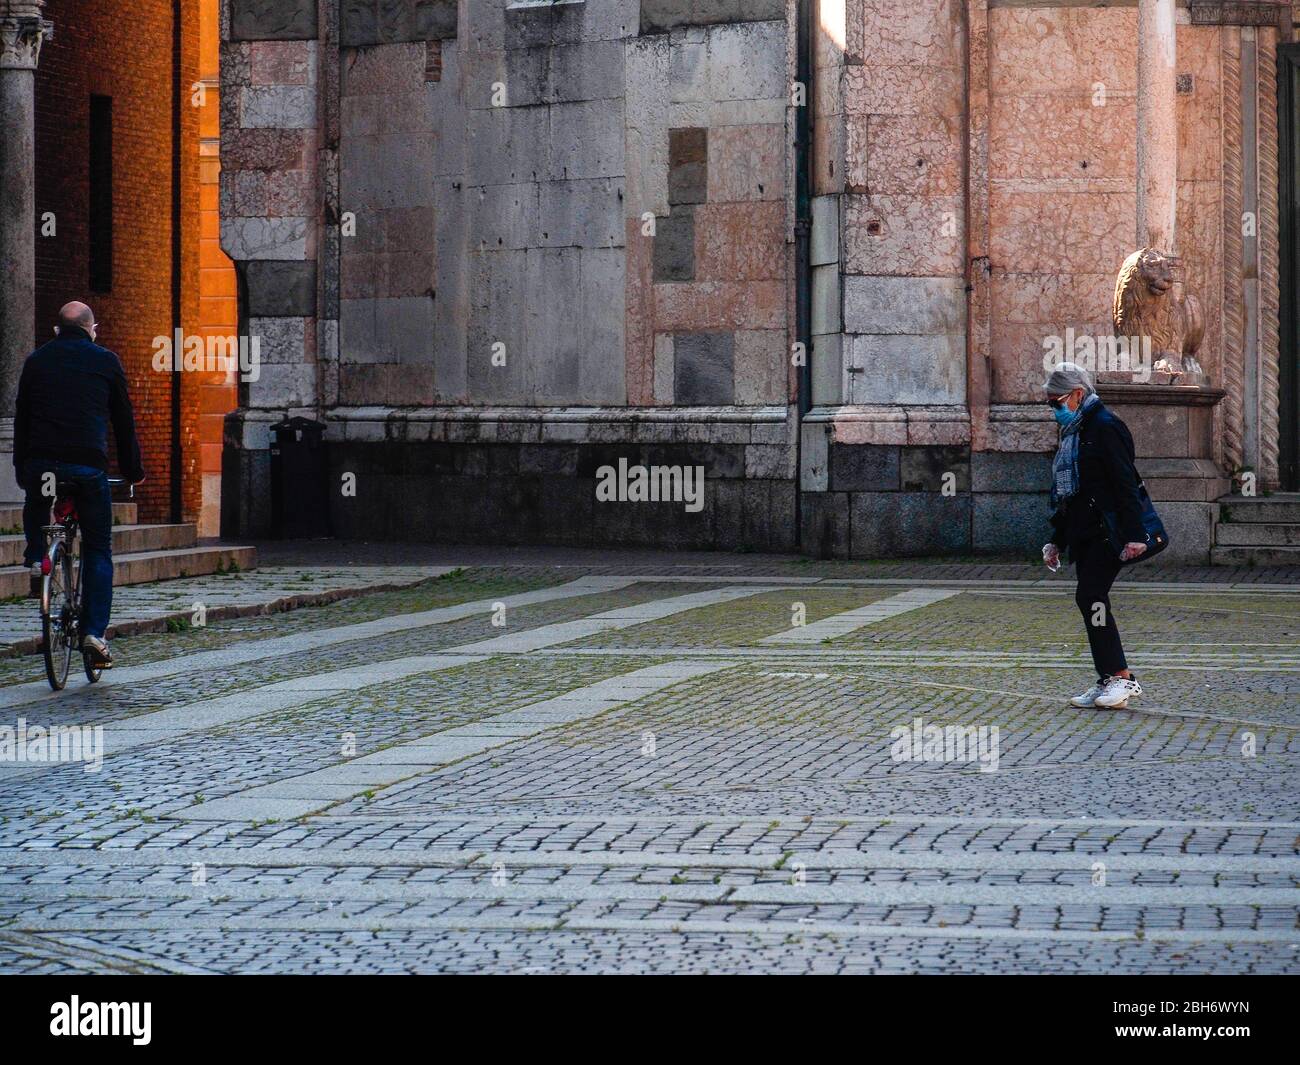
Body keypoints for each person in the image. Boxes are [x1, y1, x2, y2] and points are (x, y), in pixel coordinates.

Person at [13, 302, 145, 668]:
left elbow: (22, 420)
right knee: (99, 549)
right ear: (91, 329)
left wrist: (22, 469)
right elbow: (123, 422)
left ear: (57, 330)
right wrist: (133, 471)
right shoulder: (106, 361)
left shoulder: (36, 361)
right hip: (87, 466)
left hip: (43, 466)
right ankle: (94, 634)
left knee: (39, 500)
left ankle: (37, 555)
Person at [1040, 362, 1147, 710]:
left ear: (1077, 394)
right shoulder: (1075, 431)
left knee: (1091, 595)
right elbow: (1071, 495)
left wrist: (1135, 535)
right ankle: (1108, 678)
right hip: (1084, 531)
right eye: (1050, 403)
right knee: (1089, 599)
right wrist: (1057, 540)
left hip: (1108, 531)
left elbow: (1125, 482)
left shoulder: (1105, 426)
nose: (1054, 410)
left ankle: (1121, 677)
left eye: (1056, 402)